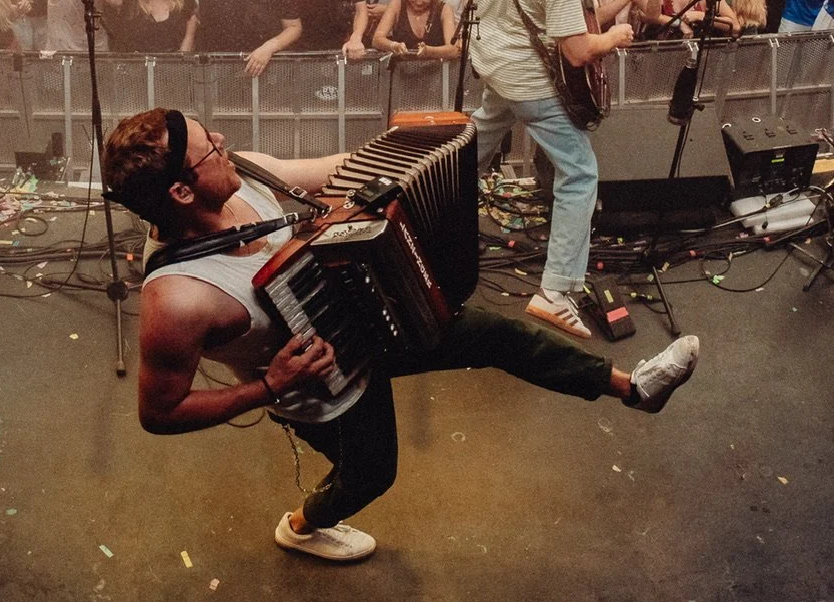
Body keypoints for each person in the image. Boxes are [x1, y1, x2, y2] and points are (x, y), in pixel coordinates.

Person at [104, 108, 700, 563]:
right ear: (181, 191)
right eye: (212, 149)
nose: (225, 147)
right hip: (321, 392)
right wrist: (270, 387)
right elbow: (159, 412)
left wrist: (417, 140)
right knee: (372, 475)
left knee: (494, 334)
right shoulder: (178, 298)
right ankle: (302, 525)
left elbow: (340, 169)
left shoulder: (247, 178)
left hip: (368, 320)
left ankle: (635, 389)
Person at [468, 0, 639, 340]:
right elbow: (579, 52)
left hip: (494, 58)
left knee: (478, 142)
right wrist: (615, 35)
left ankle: (430, 217)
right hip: (529, 78)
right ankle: (556, 290)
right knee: (581, 173)